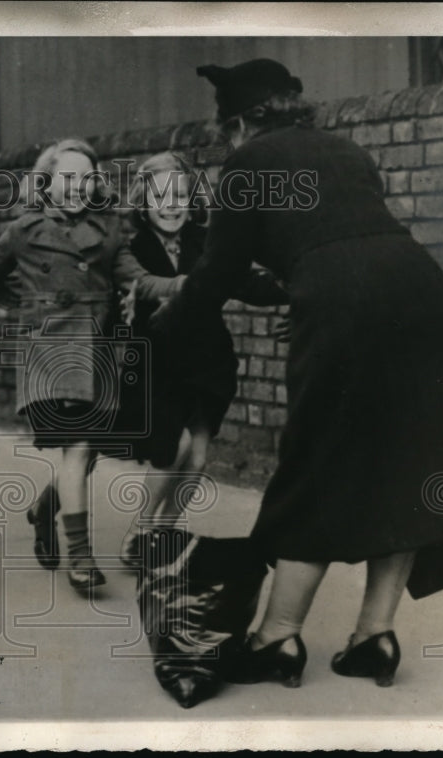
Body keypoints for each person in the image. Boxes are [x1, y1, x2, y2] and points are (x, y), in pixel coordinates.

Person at [151, 59, 443, 687]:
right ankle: (374, 636)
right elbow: (337, 244)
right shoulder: (347, 152)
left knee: (320, 463)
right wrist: (307, 300)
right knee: (410, 462)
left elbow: (218, 273)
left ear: (241, 120)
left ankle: (276, 639)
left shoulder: (246, 164)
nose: (229, 143)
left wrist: (164, 326)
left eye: (227, 131)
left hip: (342, 302)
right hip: (418, 289)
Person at [0, 138, 181, 594]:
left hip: (97, 356)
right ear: (47, 182)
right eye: (68, 178)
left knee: (87, 451)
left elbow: (140, 281)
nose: (78, 187)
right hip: (50, 355)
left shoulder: (109, 230)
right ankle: (80, 557)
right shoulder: (24, 230)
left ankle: (46, 507)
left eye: (86, 178)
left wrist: (186, 285)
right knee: (79, 449)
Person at [113, 151, 287, 567]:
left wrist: (290, 288)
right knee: (176, 446)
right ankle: (140, 531)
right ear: (142, 201)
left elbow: (244, 281)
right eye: (160, 196)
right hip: (159, 363)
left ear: (192, 201)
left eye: (180, 195)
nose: (171, 205)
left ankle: (165, 531)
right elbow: (134, 287)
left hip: (208, 361)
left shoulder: (206, 243)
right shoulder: (131, 249)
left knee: (199, 457)